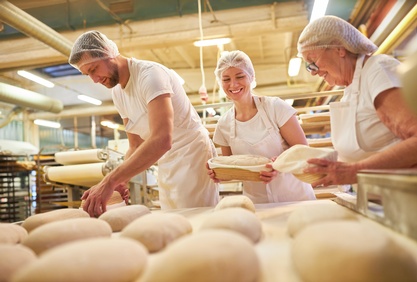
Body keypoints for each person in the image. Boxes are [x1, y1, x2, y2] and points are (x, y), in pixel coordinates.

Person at [69, 30, 219, 216]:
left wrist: (110, 181)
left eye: (93, 69)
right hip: (166, 161)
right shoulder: (118, 93)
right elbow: (135, 145)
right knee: (173, 219)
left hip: (192, 155)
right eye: (87, 75)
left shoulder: (150, 76)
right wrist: (122, 181)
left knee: (195, 219)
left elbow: (162, 139)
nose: (94, 80)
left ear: (108, 53)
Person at [297, 15, 417, 188]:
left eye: (313, 62)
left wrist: (356, 170)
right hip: (379, 199)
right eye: (308, 66)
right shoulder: (350, 90)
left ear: (339, 49)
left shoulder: (378, 70)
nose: (313, 72)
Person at [208, 50, 316, 204]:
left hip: (295, 197)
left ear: (251, 77)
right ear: (220, 83)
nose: (233, 84)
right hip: (258, 204)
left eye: (240, 76)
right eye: (226, 79)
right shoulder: (223, 125)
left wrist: (279, 166)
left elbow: (303, 150)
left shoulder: (275, 107)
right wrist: (218, 173)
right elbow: (233, 169)